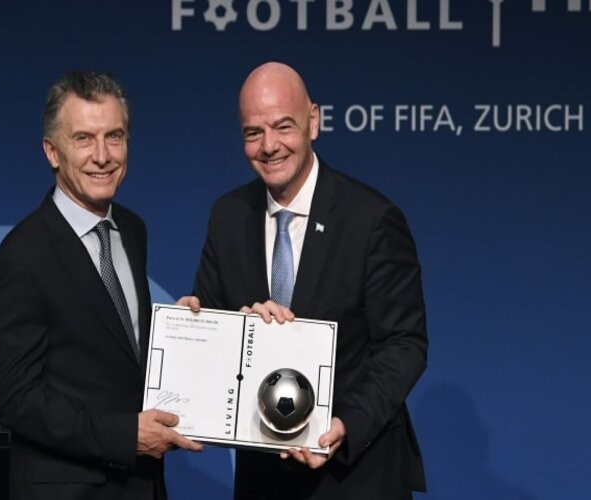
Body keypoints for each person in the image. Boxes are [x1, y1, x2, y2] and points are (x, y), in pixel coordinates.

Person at [178, 62, 428, 499]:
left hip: (355, 475)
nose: (269, 146)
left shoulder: (371, 219)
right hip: (264, 480)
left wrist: (343, 425)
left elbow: (404, 344)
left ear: (314, 121)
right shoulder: (228, 217)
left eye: (283, 126)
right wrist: (201, 328)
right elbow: (214, 337)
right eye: (253, 133)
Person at [0, 70, 202, 500]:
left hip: (143, 485)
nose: (102, 156)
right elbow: (17, 400)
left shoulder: (132, 229)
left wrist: (180, 336)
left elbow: (112, 350)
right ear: (52, 152)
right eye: (83, 138)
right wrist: (124, 437)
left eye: (114, 137)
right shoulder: (20, 258)